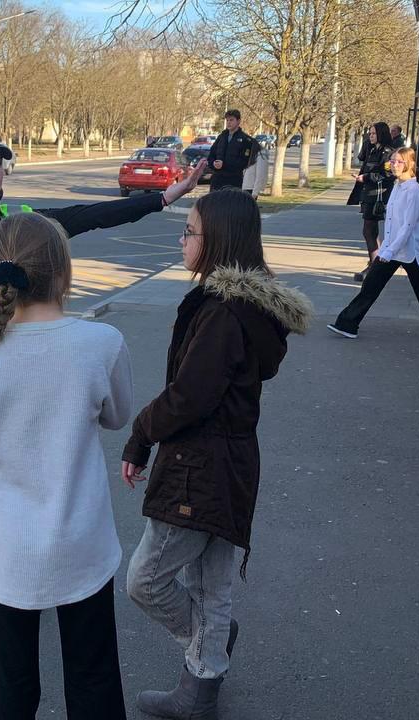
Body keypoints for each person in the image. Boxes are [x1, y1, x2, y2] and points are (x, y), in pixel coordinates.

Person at [0, 73, 206, 625]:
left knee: (9, 468)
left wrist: (161, 198)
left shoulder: (21, 224)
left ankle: (9, 559)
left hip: (6, 361)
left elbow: (90, 218)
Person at [122, 189, 311, 720]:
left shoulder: (224, 313)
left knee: (147, 579)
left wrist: (140, 434)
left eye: (191, 231)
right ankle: (201, 685)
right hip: (228, 462)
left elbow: (190, 396)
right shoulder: (242, 309)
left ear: (218, 240)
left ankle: (209, 649)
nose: (183, 240)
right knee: (211, 583)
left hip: (199, 467)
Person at [0, 213, 134, 719]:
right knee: (94, 676)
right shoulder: (101, 344)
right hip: (83, 545)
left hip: (5, 549)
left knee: (10, 684)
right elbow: (118, 416)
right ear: (64, 272)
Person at [327, 148, 419, 340]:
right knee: (371, 285)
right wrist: (387, 247)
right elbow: (391, 224)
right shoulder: (397, 185)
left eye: (399, 162)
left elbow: (408, 226)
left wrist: (389, 251)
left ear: (410, 164)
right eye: (392, 162)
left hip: (408, 249)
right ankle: (347, 323)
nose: (394, 165)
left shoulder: (413, 190)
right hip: (393, 248)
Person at [347, 122, 395, 282]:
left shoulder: (387, 152)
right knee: (369, 231)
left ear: (381, 134)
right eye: (370, 133)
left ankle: (375, 266)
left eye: (373, 133)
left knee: (369, 230)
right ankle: (374, 264)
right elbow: (361, 158)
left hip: (378, 195)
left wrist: (366, 177)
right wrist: (367, 144)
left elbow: (387, 174)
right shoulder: (372, 148)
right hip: (368, 194)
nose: (370, 136)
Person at [206, 110, 254, 191]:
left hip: (234, 181)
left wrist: (224, 164)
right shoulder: (221, 137)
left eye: (231, 120)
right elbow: (211, 155)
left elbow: (244, 162)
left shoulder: (245, 139)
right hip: (217, 181)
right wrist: (213, 163)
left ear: (238, 121)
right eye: (227, 120)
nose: (228, 122)